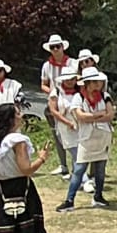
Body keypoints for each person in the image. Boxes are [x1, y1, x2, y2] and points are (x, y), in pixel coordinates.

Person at [0, 103, 52, 233]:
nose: (21, 115)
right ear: (12, 119)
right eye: (18, 113)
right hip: (21, 189)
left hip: (1, 190)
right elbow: (25, 169)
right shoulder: (17, 140)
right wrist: (42, 158)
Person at [56, 68, 114, 212]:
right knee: (79, 169)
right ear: (87, 83)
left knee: (100, 169)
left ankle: (98, 196)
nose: (98, 84)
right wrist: (99, 115)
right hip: (86, 138)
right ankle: (70, 200)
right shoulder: (78, 97)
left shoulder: (105, 95)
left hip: (102, 136)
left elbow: (110, 115)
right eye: (94, 82)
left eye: (99, 81)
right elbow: (80, 117)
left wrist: (92, 116)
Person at [40, 33, 74, 176]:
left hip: (71, 100)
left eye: (57, 46)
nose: (55, 49)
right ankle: (63, 164)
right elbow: (43, 85)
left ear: (62, 47)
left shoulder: (73, 63)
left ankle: (77, 166)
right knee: (57, 134)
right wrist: (54, 92)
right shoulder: (47, 66)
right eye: (52, 47)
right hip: (55, 101)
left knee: (74, 133)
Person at [48, 66, 81, 182]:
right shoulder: (56, 92)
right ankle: (83, 178)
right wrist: (67, 122)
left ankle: (76, 175)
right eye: (68, 79)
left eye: (72, 79)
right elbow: (53, 110)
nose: (70, 82)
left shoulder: (80, 91)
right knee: (75, 152)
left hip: (80, 125)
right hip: (64, 126)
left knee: (79, 151)